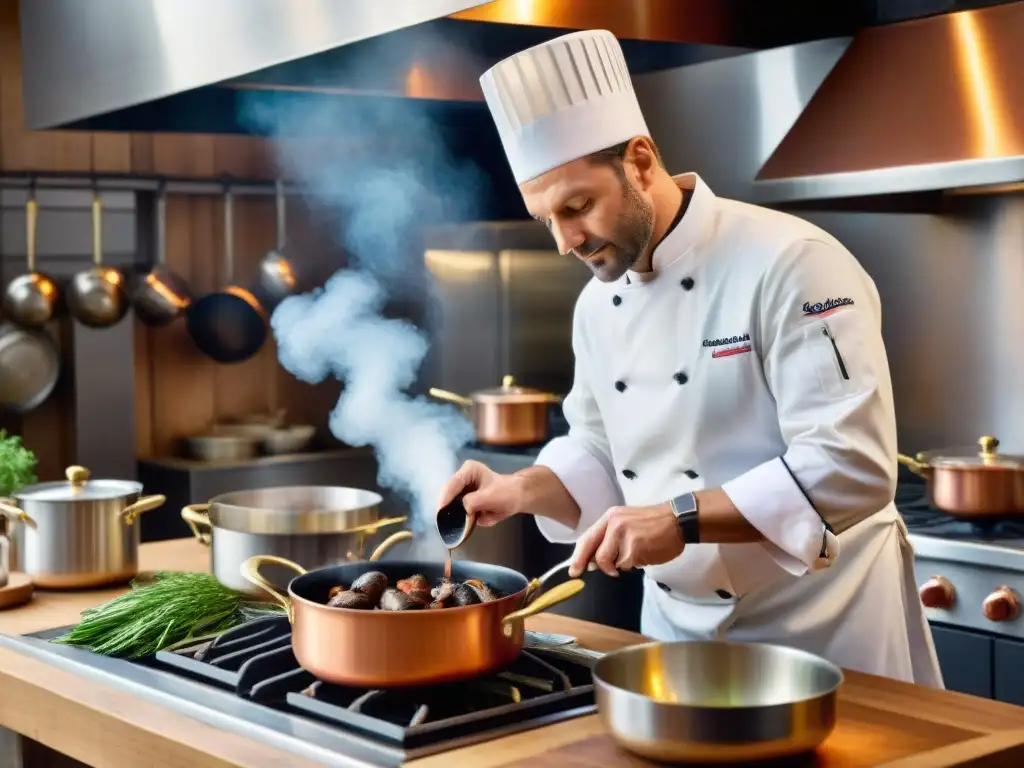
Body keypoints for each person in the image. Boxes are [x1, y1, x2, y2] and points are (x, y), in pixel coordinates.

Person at [437, 29, 942, 687]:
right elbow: (597, 444)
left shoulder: (792, 264)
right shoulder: (597, 304)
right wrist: (520, 490)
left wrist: (680, 519)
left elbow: (851, 465)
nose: (565, 241)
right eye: (546, 220)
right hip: (676, 634)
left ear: (641, 161)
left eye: (578, 206)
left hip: (821, 629)